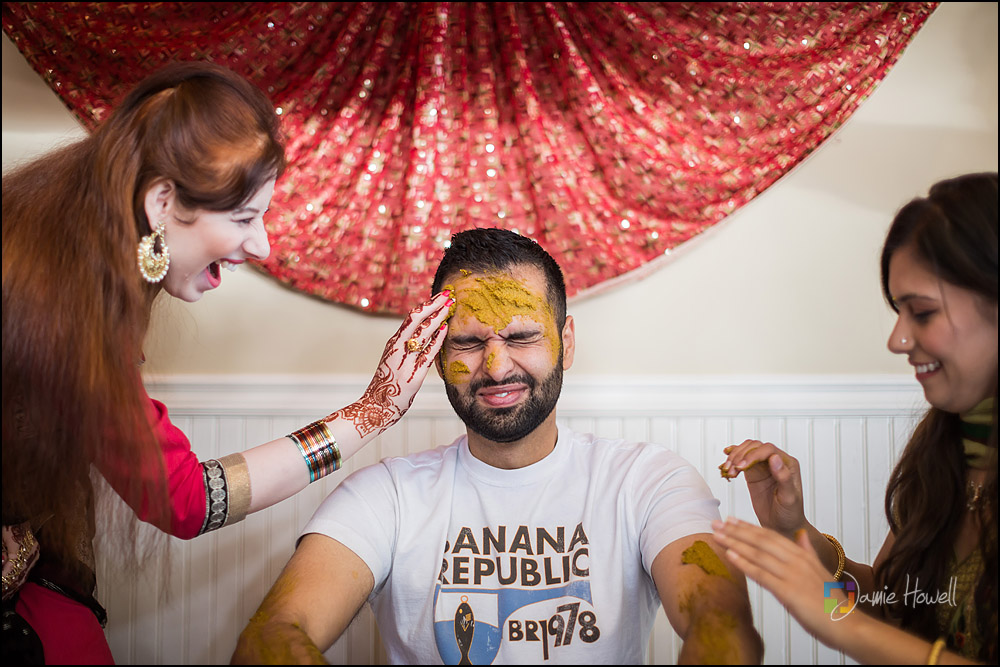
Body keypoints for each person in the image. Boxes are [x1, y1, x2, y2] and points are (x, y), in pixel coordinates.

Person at [1, 61, 453, 664]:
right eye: (242, 218)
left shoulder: (71, 247)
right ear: (162, 202)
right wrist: (370, 414)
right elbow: (186, 499)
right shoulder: (65, 304)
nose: (261, 245)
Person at [231, 227, 763, 665]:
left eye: (521, 337)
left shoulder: (649, 481)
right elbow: (271, 637)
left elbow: (720, 625)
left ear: (567, 342)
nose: (496, 366)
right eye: (467, 342)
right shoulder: (383, 495)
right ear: (437, 356)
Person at [713, 172, 998, 664]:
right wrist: (796, 534)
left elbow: (855, 624)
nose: (897, 340)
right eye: (898, 312)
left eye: (922, 313)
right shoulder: (944, 452)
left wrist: (836, 621)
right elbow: (891, 610)